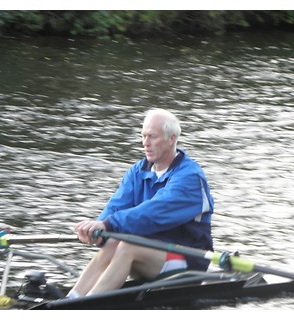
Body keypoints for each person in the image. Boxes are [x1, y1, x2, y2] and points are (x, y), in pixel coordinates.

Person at [67, 108, 214, 298]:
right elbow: (116, 206)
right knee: (112, 242)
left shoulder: (190, 178)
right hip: (151, 253)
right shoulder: (138, 171)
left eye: (152, 137)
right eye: (143, 136)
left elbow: (152, 213)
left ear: (172, 139)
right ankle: (72, 298)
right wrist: (99, 229)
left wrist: (108, 224)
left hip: (188, 261)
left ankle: (86, 306)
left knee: (127, 246)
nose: (145, 143)